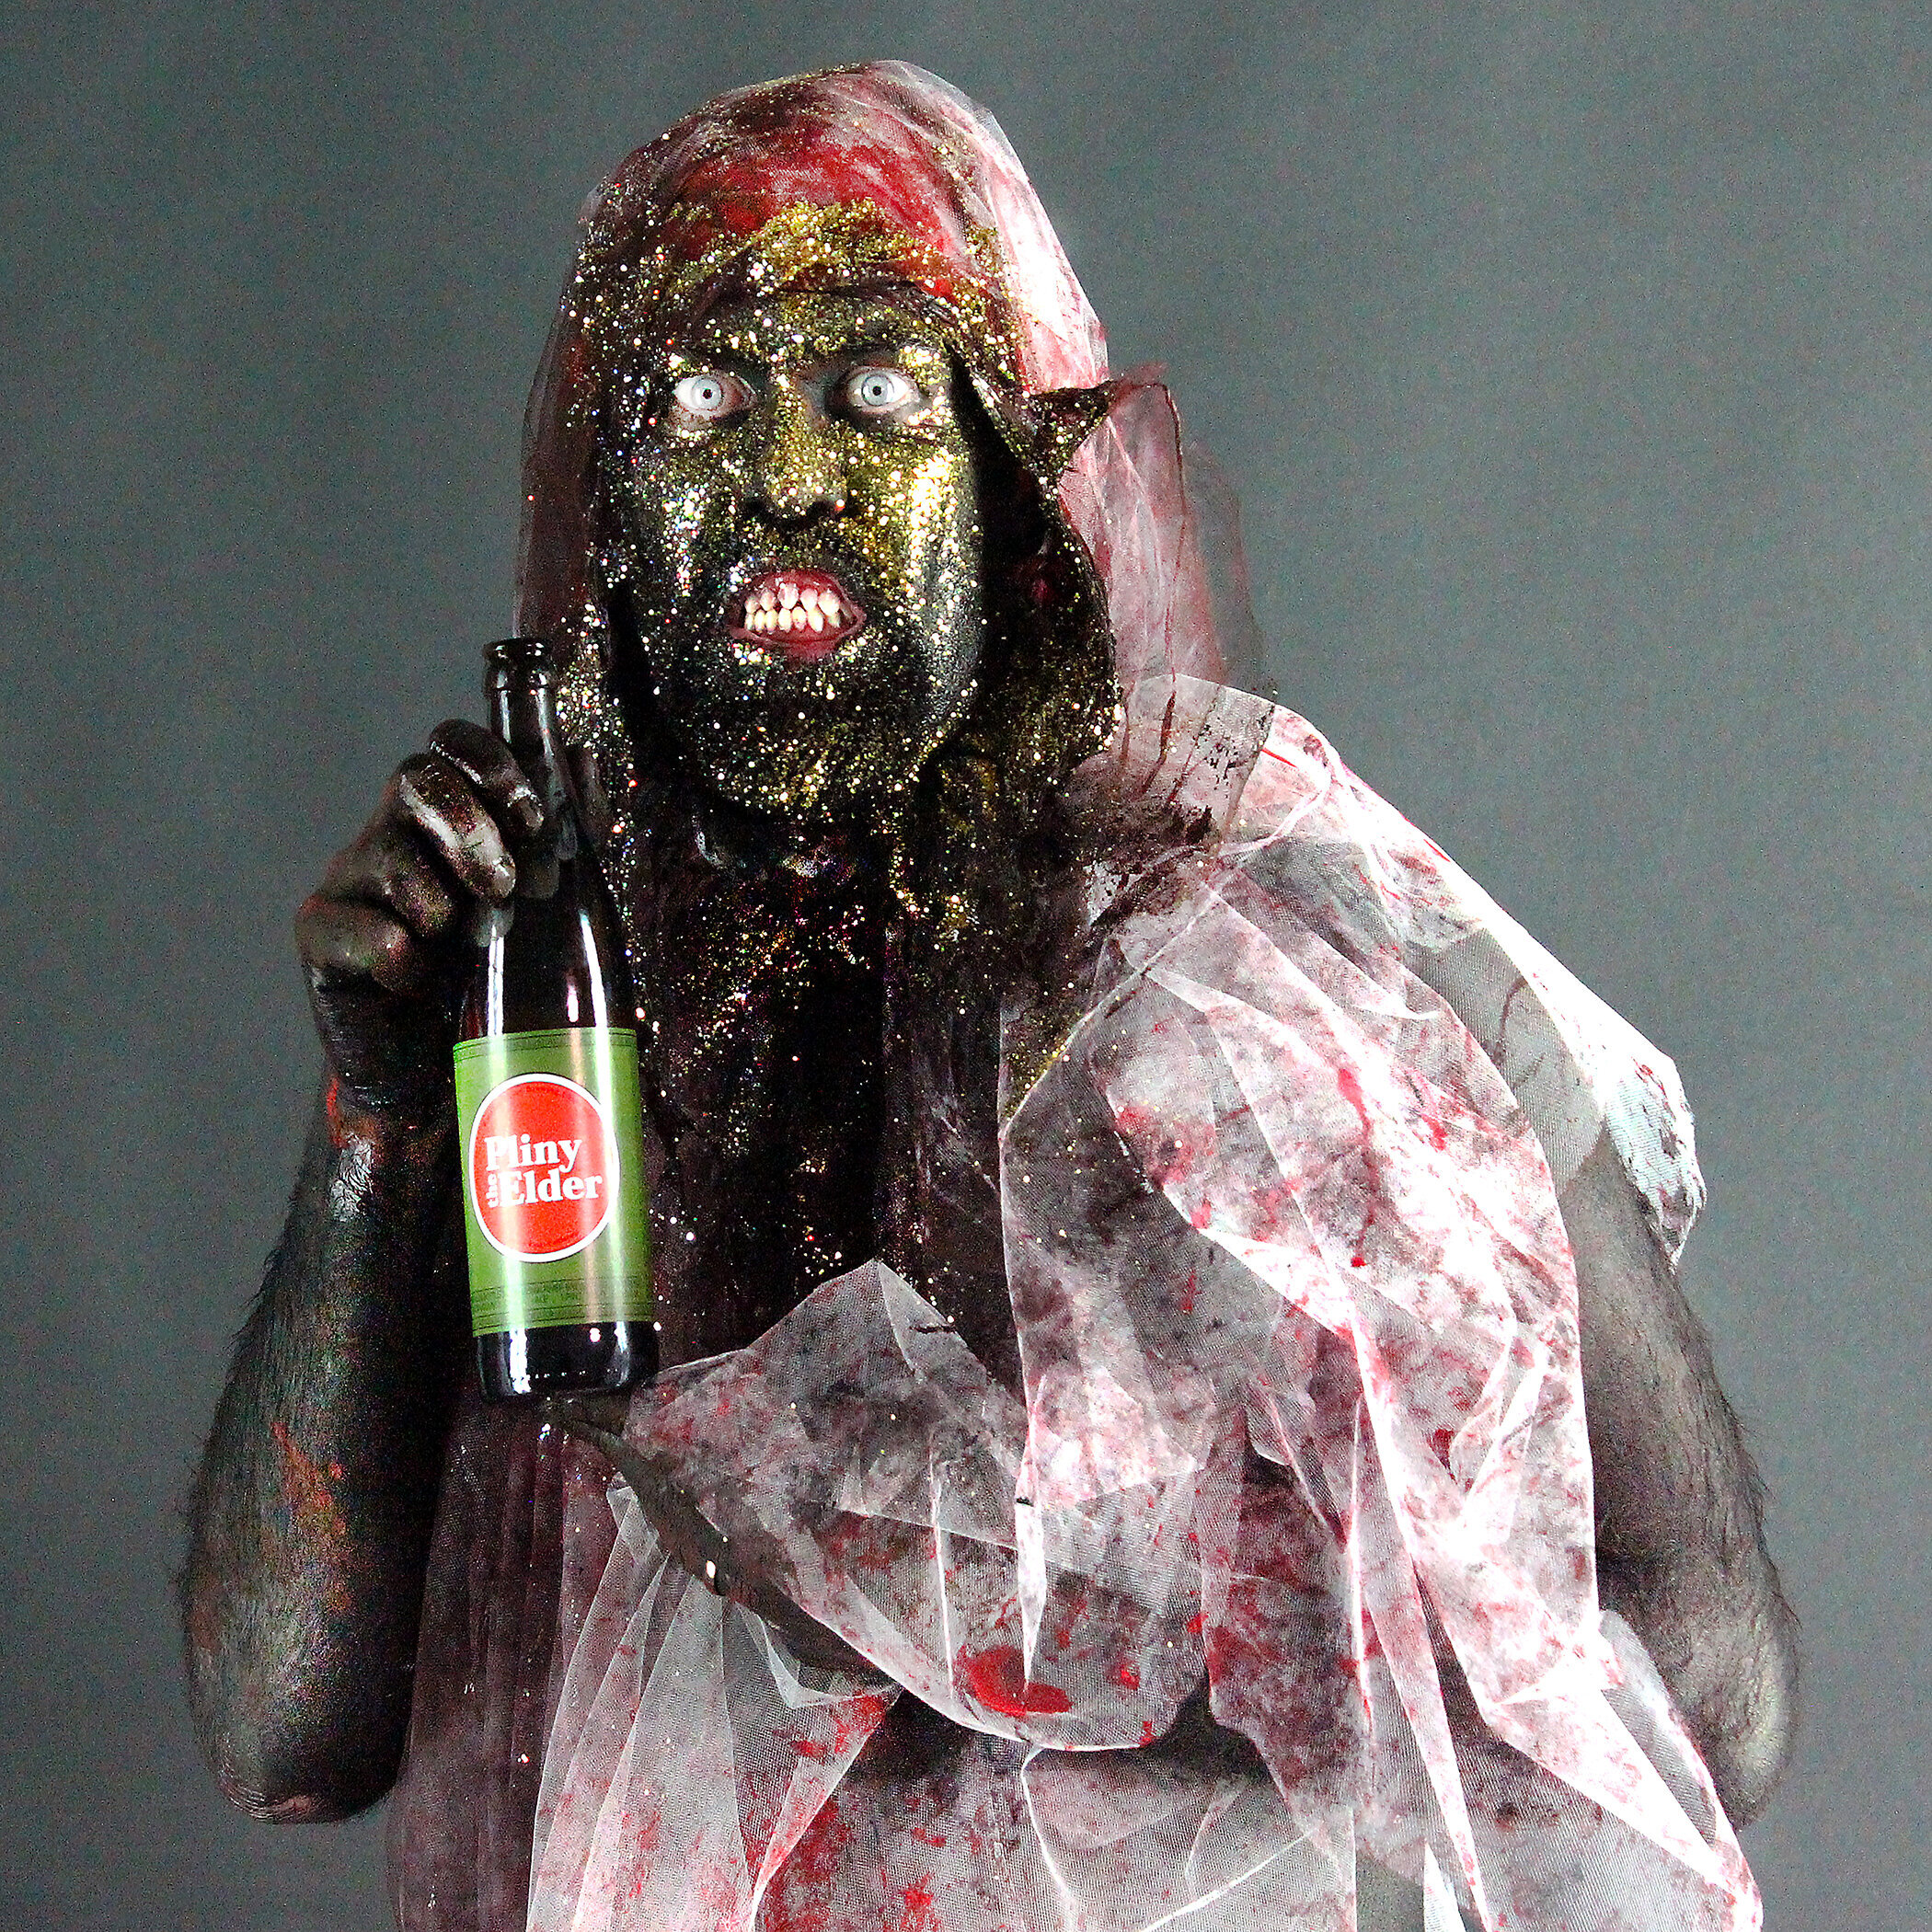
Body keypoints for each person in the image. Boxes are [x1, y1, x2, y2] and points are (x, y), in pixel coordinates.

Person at [182, 63, 1795, 1932]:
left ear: (1009, 488)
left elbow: (1702, 1685)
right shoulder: (554, 989)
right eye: (699, 399)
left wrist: (918, 1552)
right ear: (614, 514)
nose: (786, 474)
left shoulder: (1260, 929)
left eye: (876, 390)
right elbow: (282, 1733)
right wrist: (380, 1122)